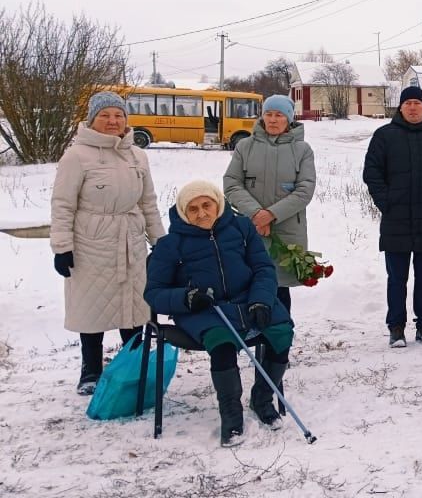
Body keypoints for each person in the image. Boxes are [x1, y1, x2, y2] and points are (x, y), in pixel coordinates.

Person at [145, 181, 293, 447]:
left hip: (247, 301)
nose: (202, 213)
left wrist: (260, 301)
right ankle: (231, 416)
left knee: (281, 333)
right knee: (222, 344)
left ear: (217, 204)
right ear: (183, 213)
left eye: (206, 205)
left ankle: (262, 399)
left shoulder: (241, 228)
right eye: (193, 209)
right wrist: (187, 298)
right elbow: (154, 292)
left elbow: (263, 268)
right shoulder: (170, 245)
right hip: (205, 310)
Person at [50, 92, 165, 395]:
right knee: (92, 306)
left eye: (119, 115)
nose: (113, 121)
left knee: (134, 305)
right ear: (92, 119)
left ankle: (132, 365)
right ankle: (90, 371)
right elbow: (62, 204)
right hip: (91, 241)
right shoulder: (76, 155)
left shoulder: (137, 155)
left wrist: (161, 242)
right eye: (105, 115)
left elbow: (148, 202)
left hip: (131, 239)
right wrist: (62, 247)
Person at [363, 86, 422, 348]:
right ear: (401, 107)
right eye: (408, 103)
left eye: (418, 102)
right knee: (397, 278)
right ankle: (396, 328)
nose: (413, 107)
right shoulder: (384, 136)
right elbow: (372, 173)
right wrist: (386, 202)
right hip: (396, 219)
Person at [223, 94, 316, 316]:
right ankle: (253, 337)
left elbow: (305, 190)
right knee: (249, 284)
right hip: (250, 228)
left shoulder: (302, 150)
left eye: (279, 115)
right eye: (268, 114)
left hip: (286, 231)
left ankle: (279, 344)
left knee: (279, 288)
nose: (273, 120)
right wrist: (256, 215)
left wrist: (271, 215)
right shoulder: (245, 146)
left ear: (289, 119)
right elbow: (231, 184)